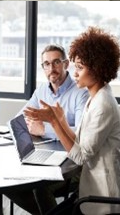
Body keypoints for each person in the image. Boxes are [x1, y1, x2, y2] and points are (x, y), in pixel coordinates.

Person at [24, 27, 120, 214]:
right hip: (87, 190)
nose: (75, 73)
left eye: (80, 68)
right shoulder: (96, 96)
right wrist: (61, 121)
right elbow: (80, 139)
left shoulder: (103, 105)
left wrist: (54, 123)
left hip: (101, 198)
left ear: (98, 69)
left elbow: (80, 156)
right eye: (76, 67)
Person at [18, 44, 89, 139]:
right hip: (43, 148)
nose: (51, 69)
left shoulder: (81, 93)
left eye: (56, 62)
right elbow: (19, 120)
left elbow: (81, 133)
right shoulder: (41, 90)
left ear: (66, 64)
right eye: (47, 64)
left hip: (68, 151)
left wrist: (43, 130)